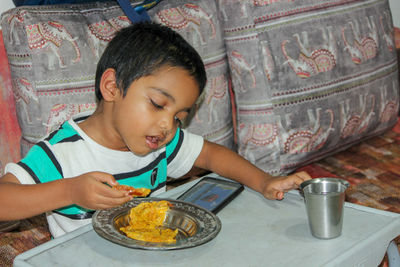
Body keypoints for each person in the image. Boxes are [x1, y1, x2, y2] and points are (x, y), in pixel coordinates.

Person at [0, 22, 311, 238]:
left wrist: (265, 181)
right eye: (158, 104)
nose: (167, 125)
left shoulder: (160, 143)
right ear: (111, 87)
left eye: (179, 116)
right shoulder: (62, 153)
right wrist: (69, 191)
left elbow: (214, 156)